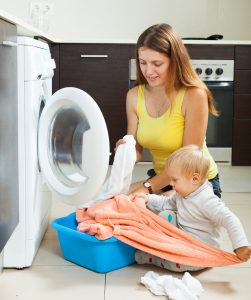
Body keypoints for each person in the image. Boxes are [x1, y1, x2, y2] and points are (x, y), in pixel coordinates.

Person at [116, 23, 222, 197]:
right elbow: (137, 148)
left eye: (157, 63)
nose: (148, 71)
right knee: (115, 200)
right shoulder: (134, 96)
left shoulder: (194, 95)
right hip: (162, 180)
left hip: (196, 183)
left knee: (155, 213)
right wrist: (126, 152)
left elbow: (188, 160)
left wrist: (147, 187)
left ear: (174, 61)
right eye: (143, 62)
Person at [133, 145, 251, 272]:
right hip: (184, 240)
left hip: (201, 252)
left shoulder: (207, 200)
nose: (171, 184)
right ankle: (163, 247)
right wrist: (148, 198)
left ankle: (155, 258)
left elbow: (230, 219)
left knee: (181, 265)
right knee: (165, 214)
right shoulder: (183, 192)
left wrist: (240, 245)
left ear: (194, 178)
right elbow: (167, 203)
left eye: (174, 180)